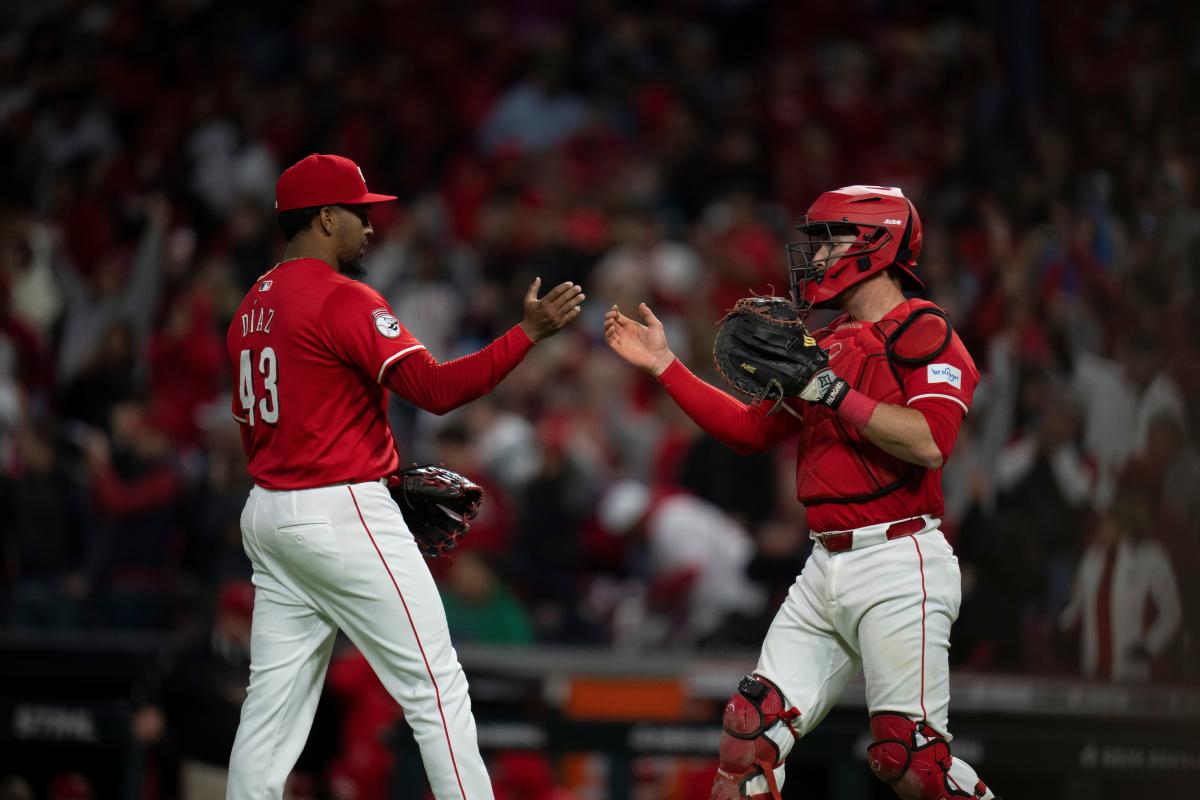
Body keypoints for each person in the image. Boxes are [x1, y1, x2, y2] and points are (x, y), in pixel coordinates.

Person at [604, 186, 997, 800]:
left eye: (829, 240)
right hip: (824, 565)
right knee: (747, 739)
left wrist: (830, 392)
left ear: (876, 242)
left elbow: (929, 442)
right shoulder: (830, 341)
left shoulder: (927, 330)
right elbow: (748, 430)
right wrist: (665, 366)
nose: (813, 257)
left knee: (915, 762)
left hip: (900, 561)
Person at [225, 153, 584, 800]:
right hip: (340, 511)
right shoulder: (341, 296)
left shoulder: (251, 304)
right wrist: (525, 334)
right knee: (434, 685)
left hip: (271, 515)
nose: (370, 228)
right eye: (360, 215)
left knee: (269, 713)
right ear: (327, 218)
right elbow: (436, 390)